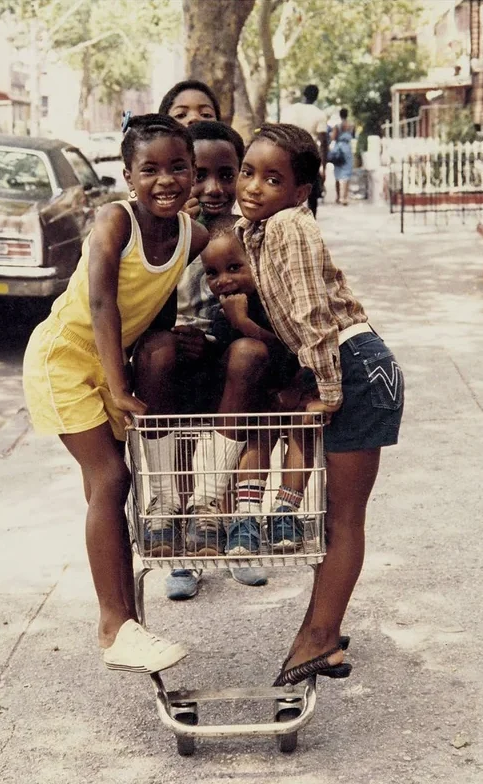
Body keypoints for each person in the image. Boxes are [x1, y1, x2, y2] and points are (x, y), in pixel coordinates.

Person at [22, 114, 209, 674]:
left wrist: (165, 341)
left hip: (110, 364)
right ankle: (113, 625)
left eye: (179, 167)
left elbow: (158, 295)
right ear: (128, 176)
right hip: (64, 359)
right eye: (149, 169)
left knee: (116, 486)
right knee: (110, 478)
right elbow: (103, 301)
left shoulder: (191, 235)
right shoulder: (113, 220)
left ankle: (127, 622)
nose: (166, 180)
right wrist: (121, 385)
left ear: (194, 171)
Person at [234, 123, 404, 686]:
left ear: (302, 190)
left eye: (273, 179)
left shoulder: (287, 225)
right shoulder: (258, 228)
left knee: (342, 515)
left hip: (356, 366)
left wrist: (327, 389)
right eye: (248, 172)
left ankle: (319, 638)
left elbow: (311, 315)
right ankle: (320, 629)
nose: (254, 187)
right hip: (348, 364)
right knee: (337, 514)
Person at [140, 82, 268, 596]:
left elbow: (271, 311)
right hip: (175, 362)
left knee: (248, 355)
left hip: (237, 359)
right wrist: (169, 333)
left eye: (227, 175)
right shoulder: (165, 228)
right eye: (202, 175)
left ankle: (218, 515)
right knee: (159, 355)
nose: (214, 188)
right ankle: (175, 526)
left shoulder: (255, 232)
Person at [202, 215, 321, 554]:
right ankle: (248, 514)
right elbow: (229, 364)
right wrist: (231, 324)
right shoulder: (221, 312)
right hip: (258, 399)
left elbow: (291, 346)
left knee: (302, 423)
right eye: (212, 273)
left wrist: (245, 323)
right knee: (261, 427)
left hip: (297, 381)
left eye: (234, 267)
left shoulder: (278, 301)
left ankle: (286, 509)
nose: (224, 280)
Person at [281, 84, 328, 217]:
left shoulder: (288, 111)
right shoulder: (319, 114)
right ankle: (312, 221)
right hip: (309, 157)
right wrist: (323, 167)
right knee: (312, 193)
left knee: (288, 189)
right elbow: (323, 143)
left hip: (288, 154)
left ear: (303, 94)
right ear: (316, 97)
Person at [330, 108, 355, 206]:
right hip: (347, 149)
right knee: (347, 173)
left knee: (337, 173)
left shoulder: (337, 126)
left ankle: (338, 196)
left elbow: (333, 138)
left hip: (338, 149)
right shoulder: (351, 125)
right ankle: (344, 197)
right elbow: (352, 136)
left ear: (340, 115)